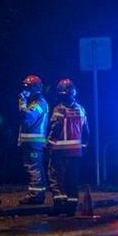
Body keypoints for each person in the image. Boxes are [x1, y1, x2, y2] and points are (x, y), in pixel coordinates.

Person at [47, 78, 89, 215]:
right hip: (75, 152)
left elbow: (55, 128)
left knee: (57, 179)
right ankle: (71, 207)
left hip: (59, 150)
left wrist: (49, 144)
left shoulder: (59, 109)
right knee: (72, 179)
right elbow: (86, 131)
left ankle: (59, 205)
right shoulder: (80, 109)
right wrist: (83, 146)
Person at [17, 74, 49, 205]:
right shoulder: (36, 103)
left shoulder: (39, 104)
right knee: (33, 167)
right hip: (31, 143)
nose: (26, 91)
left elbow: (27, 119)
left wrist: (21, 101)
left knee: (34, 168)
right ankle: (37, 194)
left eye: (28, 88)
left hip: (34, 143)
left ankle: (36, 195)